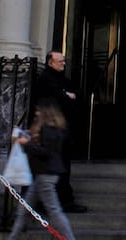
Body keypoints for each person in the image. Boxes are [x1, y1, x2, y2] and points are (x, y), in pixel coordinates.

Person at [0, 100, 84, 240]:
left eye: (38, 112)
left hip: (45, 175)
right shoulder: (55, 129)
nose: (36, 114)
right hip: (43, 175)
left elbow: (45, 152)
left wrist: (26, 144)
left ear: (45, 113)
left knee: (54, 211)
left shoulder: (49, 130)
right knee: (23, 210)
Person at [31, 50, 87, 213]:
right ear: (50, 62)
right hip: (51, 130)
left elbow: (76, 94)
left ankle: (56, 200)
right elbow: (60, 99)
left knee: (59, 166)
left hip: (61, 128)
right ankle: (58, 201)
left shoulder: (61, 79)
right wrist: (66, 95)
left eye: (63, 61)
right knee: (56, 167)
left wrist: (69, 95)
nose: (63, 63)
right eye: (60, 61)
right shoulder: (46, 79)